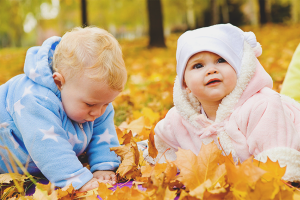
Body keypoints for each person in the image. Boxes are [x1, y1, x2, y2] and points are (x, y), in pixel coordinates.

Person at [145, 24, 300, 182]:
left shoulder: (262, 106)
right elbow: (162, 152)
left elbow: (278, 159)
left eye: (221, 60)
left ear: (240, 70)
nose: (211, 70)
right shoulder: (177, 121)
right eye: (198, 65)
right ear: (184, 84)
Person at [0, 26, 127, 191]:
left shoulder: (95, 100)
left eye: (106, 103)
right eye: (90, 104)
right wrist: (76, 178)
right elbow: (47, 146)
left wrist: (104, 165)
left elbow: (104, 132)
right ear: (59, 82)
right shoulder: (34, 100)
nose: (98, 112)